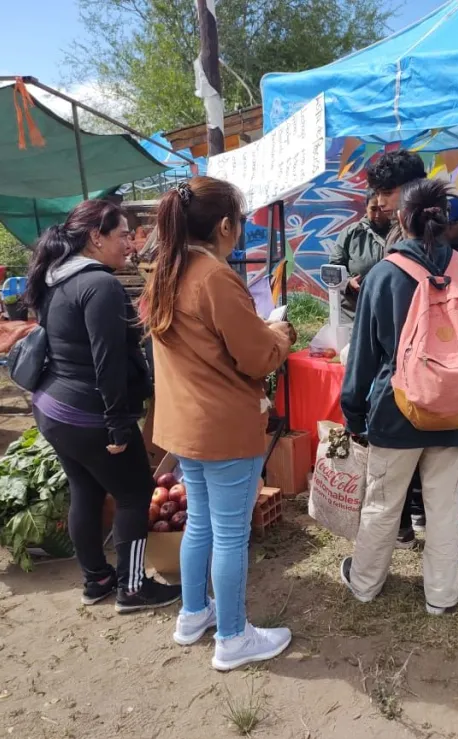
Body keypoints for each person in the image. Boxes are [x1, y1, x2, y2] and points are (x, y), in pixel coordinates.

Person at [143, 177, 296, 672]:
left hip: (186, 424)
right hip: (224, 426)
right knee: (229, 535)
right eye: (241, 223)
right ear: (226, 226)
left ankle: (193, 615)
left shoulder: (164, 270)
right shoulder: (213, 276)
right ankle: (232, 637)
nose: (241, 232)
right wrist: (280, 335)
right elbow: (255, 357)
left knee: (203, 525)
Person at [339, 178, 458, 616]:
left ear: (401, 220)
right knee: (443, 508)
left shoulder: (383, 275)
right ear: (444, 221)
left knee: (383, 504)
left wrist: (354, 414)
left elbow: (364, 357)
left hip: (397, 410)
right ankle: (442, 596)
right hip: (456, 411)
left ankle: (365, 583)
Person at [24, 200, 179, 613]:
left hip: (53, 408)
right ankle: (132, 588)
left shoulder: (57, 278)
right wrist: (117, 425)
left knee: (86, 490)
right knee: (134, 492)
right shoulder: (102, 286)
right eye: (124, 235)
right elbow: (107, 362)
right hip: (89, 413)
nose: (131, 244)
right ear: (96, 237)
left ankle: (97, 579)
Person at [364, 149, 428, 547]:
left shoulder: (432, 239)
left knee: (386, 491)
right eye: (377, 192)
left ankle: (371, 570)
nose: (380, 200)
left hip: (411, 375)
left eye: (387, 191)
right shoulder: (392, 236)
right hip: (415, 375)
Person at [329, 189, 390, 315]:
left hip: (389, 309)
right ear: (366, 208)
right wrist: (347, 283)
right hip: (354, 311)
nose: (378, 215)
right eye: (373, 209)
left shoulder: (399, 233)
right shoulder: (351, 233)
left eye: (381, 209)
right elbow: (334, 268)